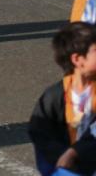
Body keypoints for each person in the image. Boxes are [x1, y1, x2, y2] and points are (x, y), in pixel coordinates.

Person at [27, 22, 96, 176]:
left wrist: (75, 152)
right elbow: (40, 133)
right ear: (78, 59)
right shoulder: (55, 96)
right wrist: (62, 158)